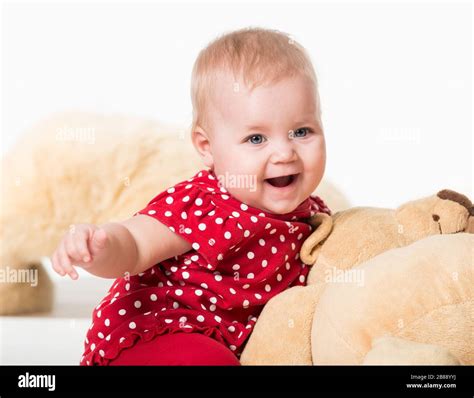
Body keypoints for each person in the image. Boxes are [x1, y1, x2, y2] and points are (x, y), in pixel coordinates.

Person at [51, 27, 331, 366]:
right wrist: (101, 245)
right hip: (163, 330)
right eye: (256, 139)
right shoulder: (204, 204)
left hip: (234, 343)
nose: (285, 152)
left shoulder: (313, 215)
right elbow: (136, 244)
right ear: (207, 147)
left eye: (301, 131)